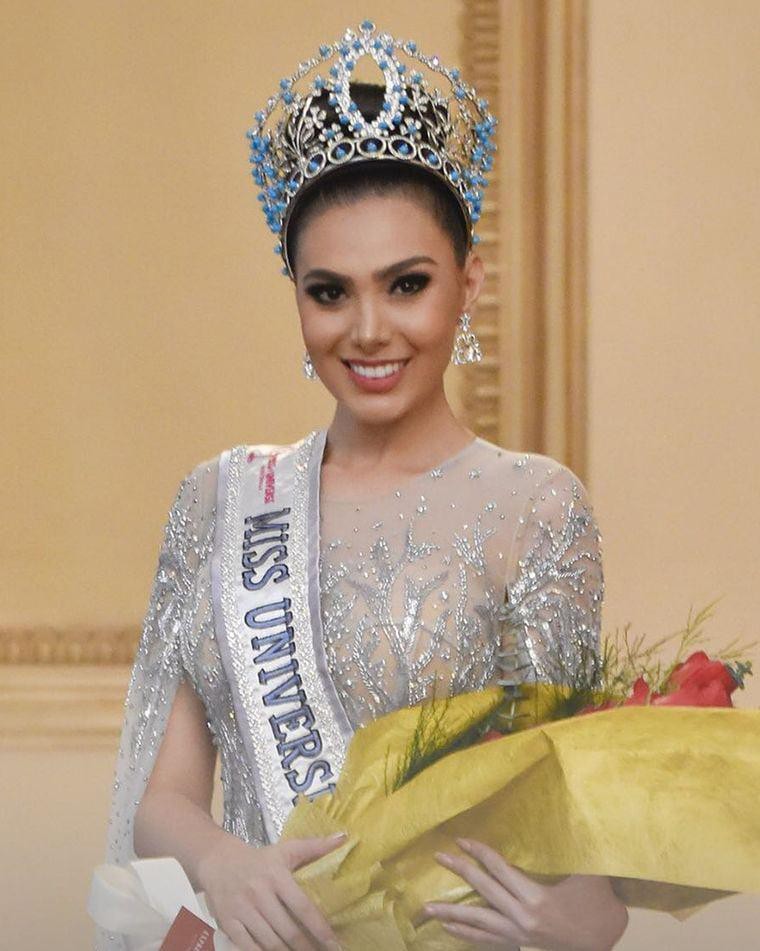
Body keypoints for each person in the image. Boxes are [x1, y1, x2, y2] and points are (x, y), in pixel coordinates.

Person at [99, 21, 629, 951]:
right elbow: (161, 800)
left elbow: (565, 801)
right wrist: (222, 860)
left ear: (468, 283)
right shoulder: (223, 499)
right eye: (330, 291)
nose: (369, 329)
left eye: (407, 284)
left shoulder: (535, 507)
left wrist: (591, 915)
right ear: (298, 296)